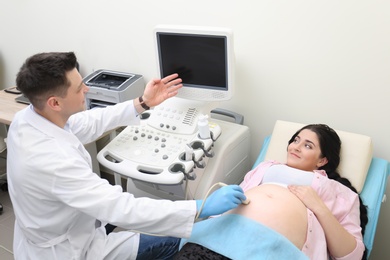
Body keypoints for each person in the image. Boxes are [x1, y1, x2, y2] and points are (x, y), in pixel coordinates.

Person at [6, 52, 247, 260]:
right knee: (179, 240)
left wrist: (143, 102)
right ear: (55, 102)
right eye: (80, 88)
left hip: (67, 225)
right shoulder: (51, 161)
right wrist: (197, 208)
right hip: (70, 250)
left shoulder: (29, 118)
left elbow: (87, 122)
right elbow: (122, 209)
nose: (87, 89)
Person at [176, 124, 368, 260]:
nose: (296, 147)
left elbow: (352, 255)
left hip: (275, 251)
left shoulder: (340, 193)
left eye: (308, 145)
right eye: (295, 140)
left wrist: (318, 206)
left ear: (322, 161)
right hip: (218, 238)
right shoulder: (264, 168)